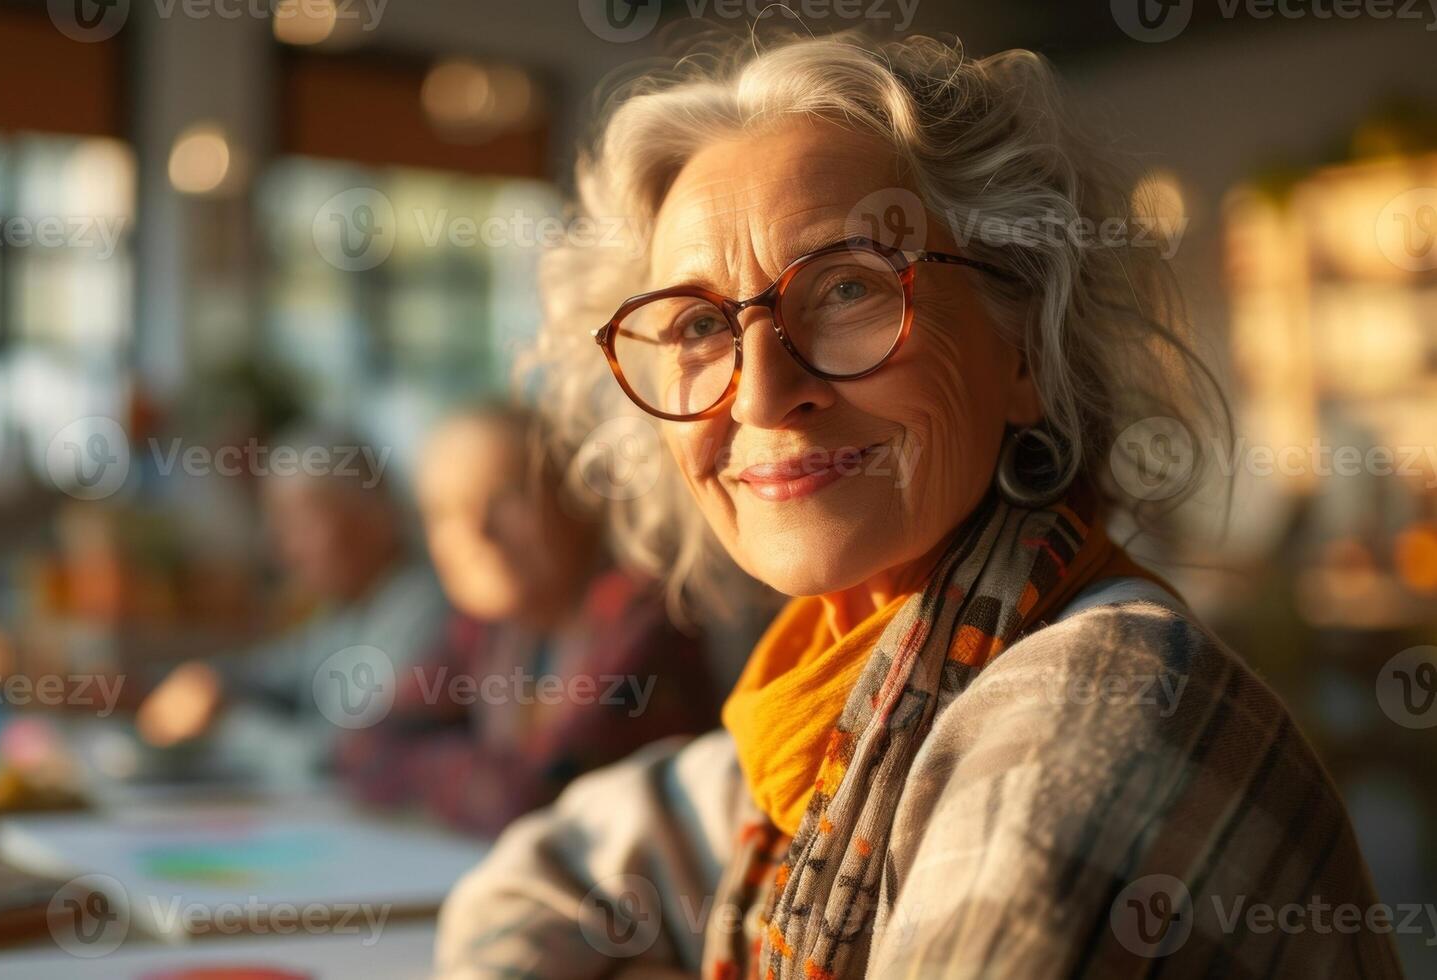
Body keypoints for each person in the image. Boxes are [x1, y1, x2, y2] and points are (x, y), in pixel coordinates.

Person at [435, 31, 1400, 979]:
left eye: (848, 286)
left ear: (1025, 344)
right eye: (696, 324)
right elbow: (530, 885)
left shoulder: (1098, 705)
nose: (762, 394)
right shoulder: (837, 705)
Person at [337, 406, 722, 836]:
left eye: (505, 498)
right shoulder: (485, 628)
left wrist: (435, 766)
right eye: (444, 512)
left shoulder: (644, 620)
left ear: (580, 499)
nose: (477, 531)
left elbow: (530, 798)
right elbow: (362, 749)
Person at [136, 424, 449, 786]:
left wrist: (224, 723)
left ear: (376, 514)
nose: (282, 550)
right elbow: (272, 674)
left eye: (299, 523)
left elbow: (343, 761)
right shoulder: (352, 609)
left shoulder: (426, 611)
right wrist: (201, 683)